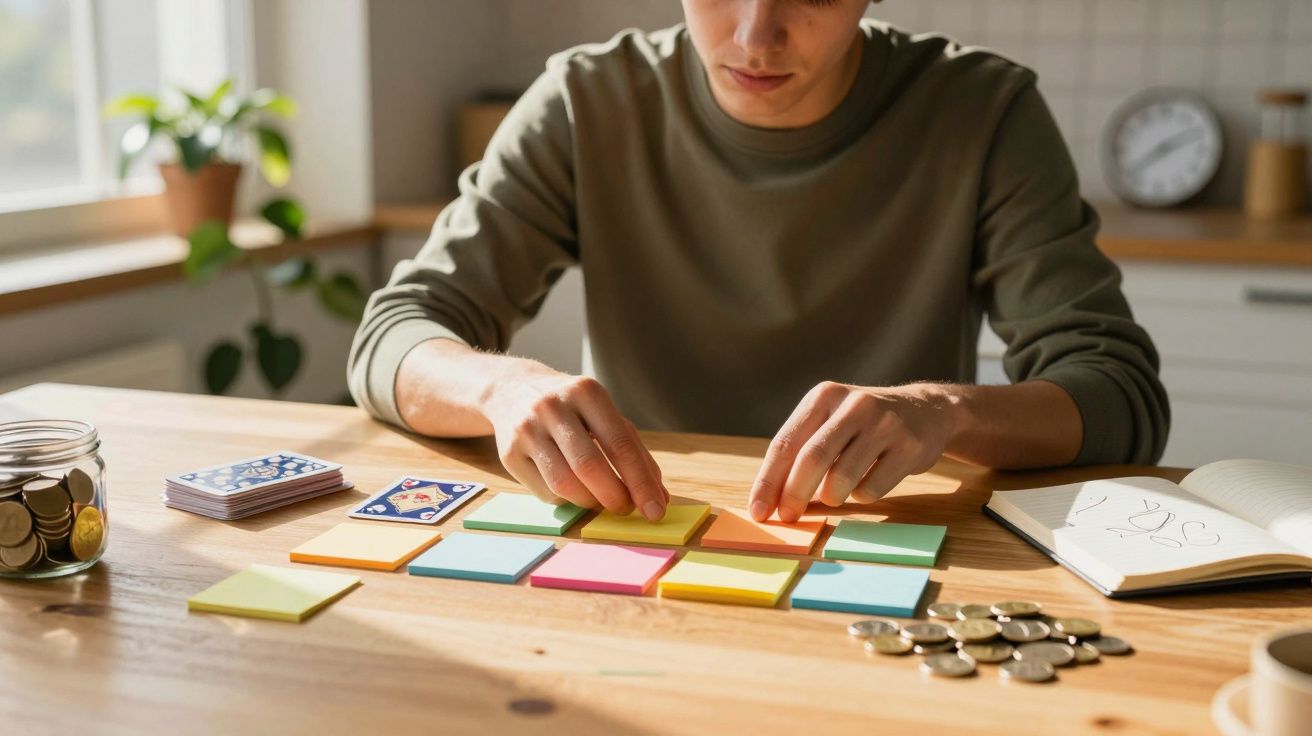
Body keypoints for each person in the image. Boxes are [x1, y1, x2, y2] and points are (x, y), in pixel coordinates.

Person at [348, 0, 1170, 526]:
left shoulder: (984, 112)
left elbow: (1118, 393)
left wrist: (941, 411)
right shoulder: (584, 100)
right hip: (640, 525)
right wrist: (502, 388)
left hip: (882, 534)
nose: (753, 35)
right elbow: (394, 336)